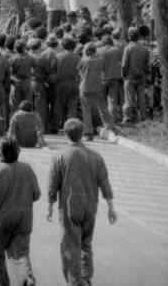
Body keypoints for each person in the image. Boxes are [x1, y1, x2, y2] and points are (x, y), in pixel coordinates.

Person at [47, 118, 117, 286]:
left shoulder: (60, 157)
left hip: (70, 206)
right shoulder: (95, 157)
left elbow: (53, 184)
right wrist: (111, 208)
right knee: (86, 244)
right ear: (83, 133)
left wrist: (50, 205)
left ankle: (76, 282)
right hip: (90, 206)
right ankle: (86, 278)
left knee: (70, 246)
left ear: (65, 134)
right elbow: (105, 183)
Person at [0, 135, 41, 286]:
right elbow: (36, 194)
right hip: (24, 218)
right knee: (20, 253)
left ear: (0, 152)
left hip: (2, 219)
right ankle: (27, 278)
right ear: (17, 151)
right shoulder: (27, 169)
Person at [78, 42, 115, 140]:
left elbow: (79, 72)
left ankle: (88, 132)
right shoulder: (101, 60)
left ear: (86, 51)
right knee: (103, 107)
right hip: (98, 86)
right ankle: (110, 126)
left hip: (85, 87)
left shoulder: (84, 60)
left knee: (86, 110)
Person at [121, 27, 150, 123]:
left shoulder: (128, 48)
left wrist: (123, 74)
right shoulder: (144, 48)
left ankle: (128, 117)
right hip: (141, 76)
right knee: (141, 97)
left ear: (129, 36)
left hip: (130, 76)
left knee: (129, 98)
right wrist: (146, 73)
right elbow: (147, 64)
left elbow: (124, 64)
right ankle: (143, 116)